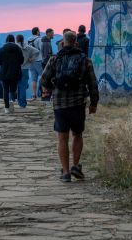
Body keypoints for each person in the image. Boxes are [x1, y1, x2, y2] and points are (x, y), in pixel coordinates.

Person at [40, 30, 99, 183]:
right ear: (76, 43)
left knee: (62, 137)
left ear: (62, 43)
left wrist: (51, 88)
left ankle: (65, 172)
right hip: (78, 103)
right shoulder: (85, 60)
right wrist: (93, 103)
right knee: (77, 135)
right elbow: (92, 83)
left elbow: (44, 79)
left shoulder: (55, 59)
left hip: (60, 104)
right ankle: (75, 166)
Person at [0, 34, 24, 113]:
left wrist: (3, 64)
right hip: (15, 72)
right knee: (13, 89)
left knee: (5, 90)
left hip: (4, 73)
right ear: (13, 40)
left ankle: (7, 108)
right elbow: (21, 60)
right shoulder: (18, 49)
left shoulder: (2, 49)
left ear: (6, 40)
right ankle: (12, 102)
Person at [16, 34, 39, 108]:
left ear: (16, 39)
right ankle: (22, 103)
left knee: (17, 86)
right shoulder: (28, 47)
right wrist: (32, 59)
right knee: (23, 86)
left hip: (16, 69)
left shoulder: (15, 47)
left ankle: (19, 101)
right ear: (23, 39)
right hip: (25, 69)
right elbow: (37, 51)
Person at [27, 27, 43, 100]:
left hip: (30, 61)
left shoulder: (28, 40)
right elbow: (40, 50)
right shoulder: (39, 39)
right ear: (37, 32)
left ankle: (34, 95)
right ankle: (44, 93)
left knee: (34, 79)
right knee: (43, 77)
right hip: (38, 60)